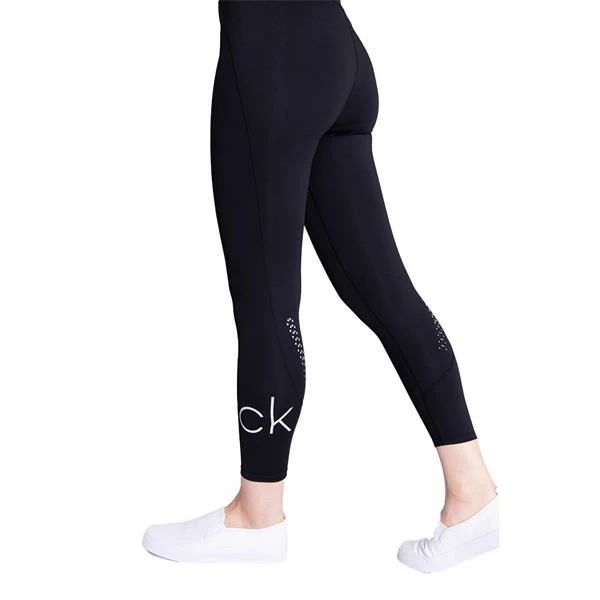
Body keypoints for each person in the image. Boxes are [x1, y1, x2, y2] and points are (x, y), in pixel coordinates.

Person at [142, 0, 499, 573]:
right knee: (385, 292)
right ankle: (472, 490)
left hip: (271, 59)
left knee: (268, 303)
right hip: (337, 52)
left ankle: (257, 514)